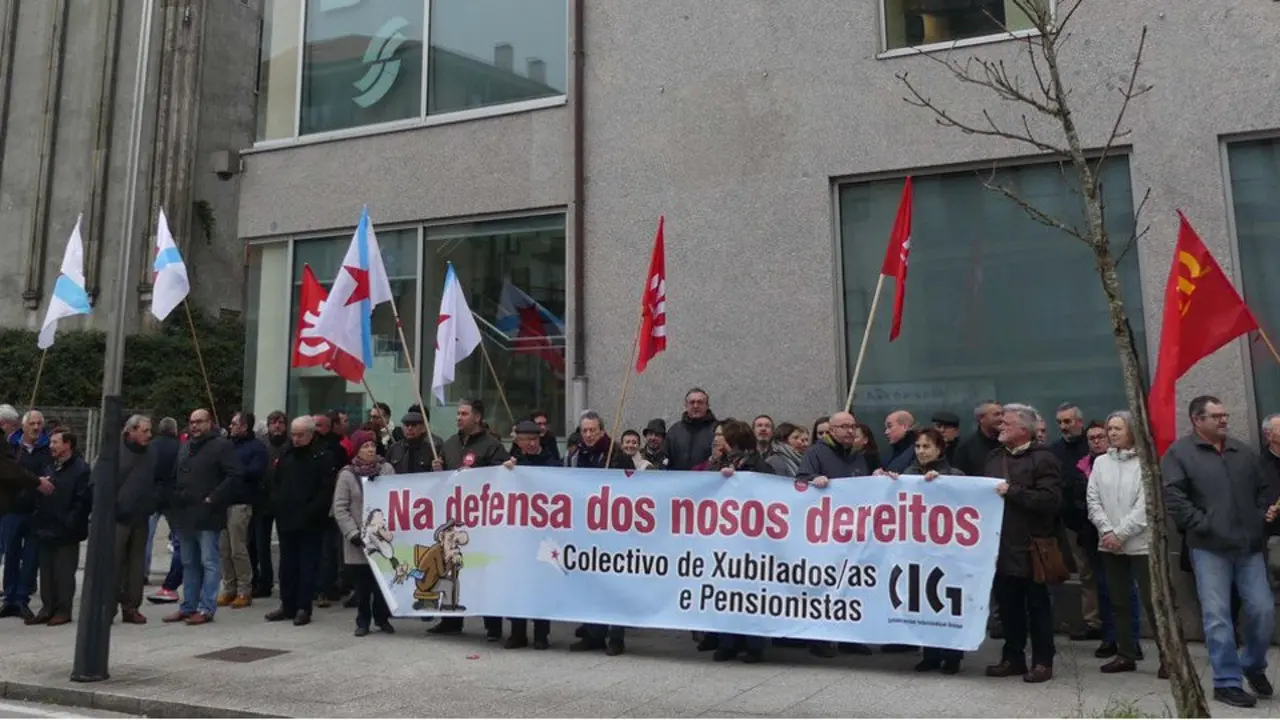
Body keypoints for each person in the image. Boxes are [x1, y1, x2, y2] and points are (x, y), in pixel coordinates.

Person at [1164, 395, 1275, 708]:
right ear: (1198, 420)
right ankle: (1226, 682)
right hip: (1209, 547)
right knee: (1217, 618)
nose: (1224, 420)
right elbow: (1174, 497)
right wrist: (1204, 524)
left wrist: (1257, 518)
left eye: (1225, 415)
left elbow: (1263, 489)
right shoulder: (1180, 453)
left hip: (1249, 546)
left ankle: (1252, 665)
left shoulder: (1243, 451)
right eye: (1217, 416)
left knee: (1263, 611)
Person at [984, 403, 1062, 684]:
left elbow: (1051, 501)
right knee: (1008, 607)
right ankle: (1012, 657)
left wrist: (1013, 492)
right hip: (1001, 546)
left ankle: (1043, 661)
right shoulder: (994, 458)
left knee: (1038, 607)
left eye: (1006, 423)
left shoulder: (1043, 459)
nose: (1000, 426)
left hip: (1032, 547)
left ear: (1023, 429)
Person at [1086, 411, 1164, 679]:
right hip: (1109, 544)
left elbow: (1146, 506)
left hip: (1139, 544)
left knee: (1153, 601)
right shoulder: (1100, 463)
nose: (1112, 433)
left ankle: (1168, 656)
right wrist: (1108, 532)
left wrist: (1121, 533)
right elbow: (1093, 500)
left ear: (1132, 431)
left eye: (1118, 428)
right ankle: (1126, 654)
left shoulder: (1146, 461)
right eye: (1110, 428)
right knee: (1118, 600)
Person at [428, 399, 509, 637]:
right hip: (454, 518)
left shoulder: (491, 445)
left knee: (485, 570)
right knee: (449, 568)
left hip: (482, 520)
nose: (458, 418)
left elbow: (501, 476)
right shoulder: (451, 444)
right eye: (458, 413)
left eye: (464, 414)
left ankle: (492, 626)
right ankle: (451, 621)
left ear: (477, 417)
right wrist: (437, 471)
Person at [163, 409, 244, 626]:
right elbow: (174, 474)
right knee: (189, 562)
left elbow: (235, 474)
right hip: (185, 513)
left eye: (199, 422)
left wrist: (214, 497)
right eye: (191, 422)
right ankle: (188, 606)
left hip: (208, 514)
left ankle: (206, 607)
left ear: (210, 423)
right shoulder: (185, 445)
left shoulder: (221, 445)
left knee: (209, 561)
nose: (195, 426)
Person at [898, 428, 965, 674]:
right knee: (922, 600)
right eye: (918, 447)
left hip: (948, 550)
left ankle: (953, 655)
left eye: (926, 447)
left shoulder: (954, 474)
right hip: (919, 549)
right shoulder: (909, 474)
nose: (921, 452)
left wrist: (944, 484)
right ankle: (930, 653)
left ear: (939, 449)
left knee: (946, 600)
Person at [709, 419, 774, 664]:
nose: (715, 439)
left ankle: (753, 644)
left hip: (751, 540)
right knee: (725, 590)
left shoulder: (757, 464)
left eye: (720, 434)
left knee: (749, 591)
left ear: (733, 439)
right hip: (724, 538)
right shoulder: (717, 463)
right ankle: (727, 642)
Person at [267, 416, 339, 627]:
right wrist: (277, 505)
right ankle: (286, 604)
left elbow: (325, 491)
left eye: (300, 435)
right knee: (287, 564)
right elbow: (275, 481)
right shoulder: (286, 453)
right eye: (294, 435)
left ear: (311, 434)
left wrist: (311, 511)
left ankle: (302, 607)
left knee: (307, 565)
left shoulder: (323, 457)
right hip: (286, 518)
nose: (296, 439)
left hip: (310, 521)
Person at [501, 419, 559, 649]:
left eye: (535, 439)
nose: (532, 444)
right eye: (527, 440)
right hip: (519, 533)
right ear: (518, 441)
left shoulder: (551, 462)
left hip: (543, 532)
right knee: (517, 581)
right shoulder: (510, 463)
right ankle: (517, 632)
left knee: (541, 582)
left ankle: (541, 633)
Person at [333, 430, 395, 637]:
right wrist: (352, 533)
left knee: (382, 584)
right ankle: (363, 620)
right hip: (358, 541)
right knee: (362, 585)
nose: (370, 449)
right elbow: (340, 508)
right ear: (357, 450)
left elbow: (396, 498)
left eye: (372, 445)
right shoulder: (347, 475)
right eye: (365, 446)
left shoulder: (386, 469)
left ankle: (382, 617)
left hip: (382, 536)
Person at [28, 430, 90, 626]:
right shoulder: (49, 465)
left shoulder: (81, 469)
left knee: (64, 573)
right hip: (45, 526)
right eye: (51, 442)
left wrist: (69, 522)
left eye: (55, 442)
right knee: (46, 571)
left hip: (66, 531)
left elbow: (82, 502)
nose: (51, 446)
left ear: (67, 445)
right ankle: (47, 607)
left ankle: (64, 610)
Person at [116, 415, 159, 624]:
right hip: (117, 518)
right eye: (145, 431)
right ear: (131, 431)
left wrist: (153, 501)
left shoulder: (152, 453)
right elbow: (99, 482)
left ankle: (131, 606)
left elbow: (159, 480)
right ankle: (107, 606)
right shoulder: (114, 452)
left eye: (150, 431)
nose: (149, 435)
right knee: (114, 563)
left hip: (141, 517)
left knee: (136, 565)